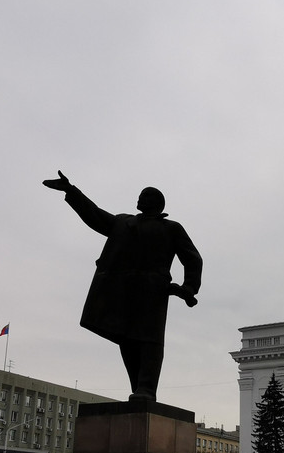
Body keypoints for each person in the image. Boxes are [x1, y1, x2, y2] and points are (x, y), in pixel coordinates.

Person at [43, 169, 202, 401]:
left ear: (156, 203)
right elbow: (94, 215)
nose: (139, 198)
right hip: (122, 290)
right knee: (126, 338)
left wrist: (189, 287)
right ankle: (138, 387)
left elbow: (193, 258)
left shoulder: (171, 228)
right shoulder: (123, 221)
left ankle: (147, 389)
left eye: (145, 195)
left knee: (149, 340)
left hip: (152, 291)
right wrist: (71, 191)